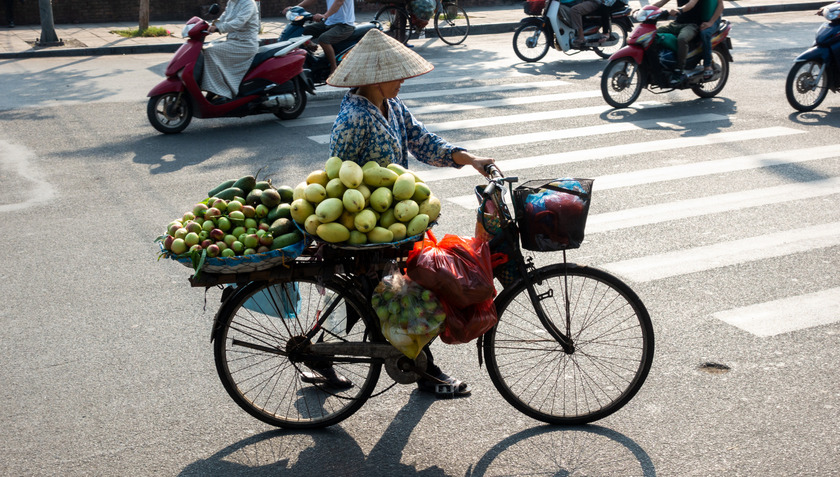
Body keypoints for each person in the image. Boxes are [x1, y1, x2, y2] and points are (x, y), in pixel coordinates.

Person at [306, 29, 495, 398]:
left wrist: (470, 159)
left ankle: (324, 354)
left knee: (372, 296)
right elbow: (338, 179)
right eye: (397, 73)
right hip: (369, 225)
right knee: (400, 295)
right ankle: (426, 371)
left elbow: (425, 142)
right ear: (376, 77)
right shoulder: (353, 119)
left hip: (396, 222)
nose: (403, 79)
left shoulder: (392, 106)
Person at [201, 0, 260, 101]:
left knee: (210, 51)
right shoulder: (231, 2)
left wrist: (217, 29)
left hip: (245, 44)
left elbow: (238, 22)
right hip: (233, 41)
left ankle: (222, 92)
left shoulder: (248, 3)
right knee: (205, 49)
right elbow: (224, 17)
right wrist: (211, 25)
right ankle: (214, 88)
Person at [284, 0, 355, 74]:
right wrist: (295, 8)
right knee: (300, 31)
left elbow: (339, 2)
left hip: (345, 25)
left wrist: (325, 15)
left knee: (323, 39)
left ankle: (334, 68)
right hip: (329, 22)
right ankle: (309, 59)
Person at [653, 0, 705, 83]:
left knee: (682, 39)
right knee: (652, 34)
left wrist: (679, 10)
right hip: (677, 23)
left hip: (692, 25)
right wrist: (645, 10)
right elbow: (662, 2)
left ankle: (679, 70)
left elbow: (691, 4)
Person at [697, 0, 723, 79]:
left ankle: (707, 65)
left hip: (712, 19)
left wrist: (711, 22)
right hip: (696, 19)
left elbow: (721, 5)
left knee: (705, 33)